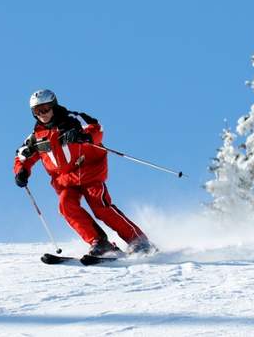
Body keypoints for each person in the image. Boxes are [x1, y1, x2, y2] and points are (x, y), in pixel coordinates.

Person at [13, 89, 154, 256]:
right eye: (37, 111)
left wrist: (84, 136)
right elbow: (22, 156)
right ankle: (99, 242)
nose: (42, 114)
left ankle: (139, 241)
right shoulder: (36, 137)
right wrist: (21, 171)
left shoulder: (73, 120)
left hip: (89, 173)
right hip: (65, 181)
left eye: (45, 108)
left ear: (54, 106)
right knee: (66, 205)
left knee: (100, 207)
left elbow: (97, 128)